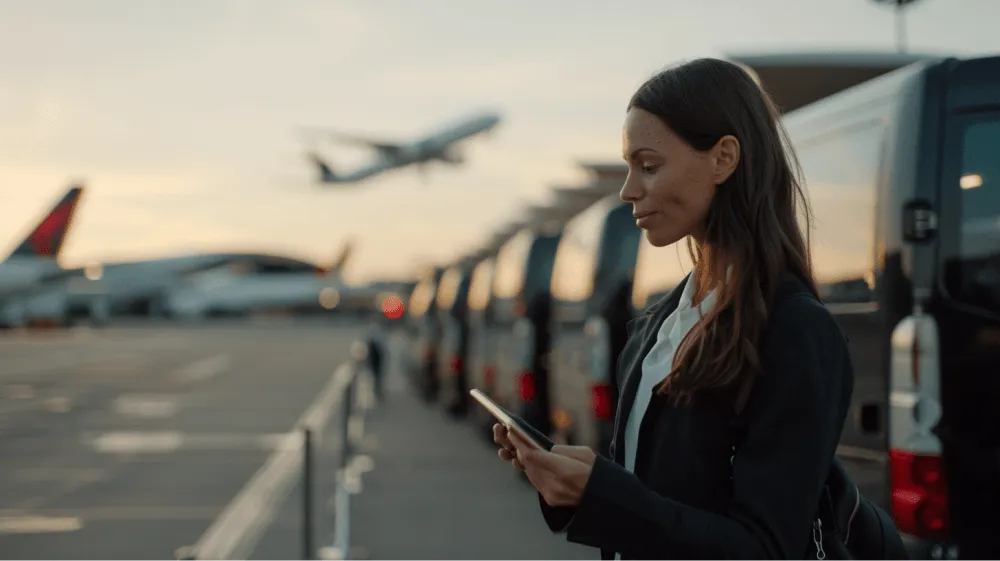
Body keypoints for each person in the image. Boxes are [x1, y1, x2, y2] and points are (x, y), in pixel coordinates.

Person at [493, 58, 854, 561]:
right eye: (627, 167)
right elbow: (655, 494)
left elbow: (765, 548)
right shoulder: (659, 325)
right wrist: (568, 481)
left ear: (724, 158)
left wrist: (603, 493)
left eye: (648, 165)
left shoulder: (795, 331)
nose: (628, 190)